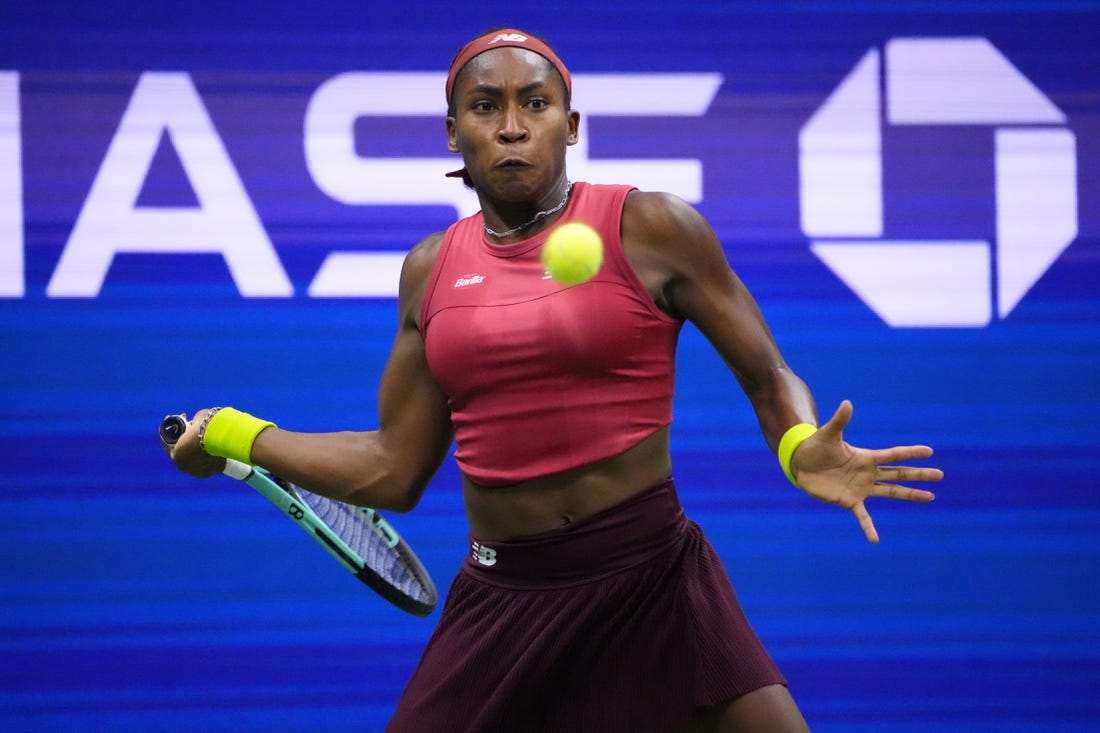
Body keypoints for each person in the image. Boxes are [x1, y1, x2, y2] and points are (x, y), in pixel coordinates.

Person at [165, 28, 943, 732]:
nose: (511, 125)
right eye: (486, 106)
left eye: (535, 104)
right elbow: (393, 468)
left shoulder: (654, 227)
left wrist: (800, 443)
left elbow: (769, 374)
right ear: (454, 131)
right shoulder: (431, 273)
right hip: (505, 601)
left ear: (569, 127)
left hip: (656, 583)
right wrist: (238, 435)